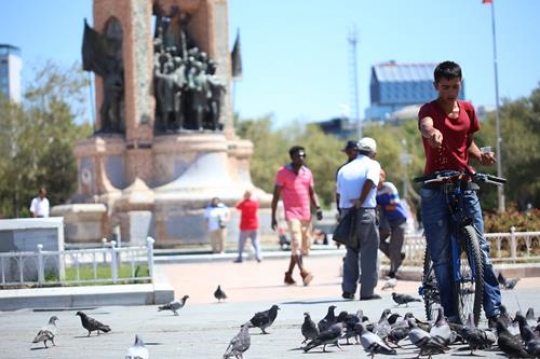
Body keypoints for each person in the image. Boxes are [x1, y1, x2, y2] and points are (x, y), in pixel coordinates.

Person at [417, 60, 500, 322]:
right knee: (442, 257)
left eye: (454, 86)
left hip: (464, 185)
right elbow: (426, 125)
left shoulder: (468, 110)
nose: (451, 92)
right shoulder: (428, 109)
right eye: (445, 87)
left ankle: (495, 311)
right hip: (435, 188)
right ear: (436, 86)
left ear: (460, 83)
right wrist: (432, 134)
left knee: (481, 250)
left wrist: (481, 155)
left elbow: (468, 144)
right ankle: (451, 316)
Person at [271, 145, 323, 286]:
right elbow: (276, 196)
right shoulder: (282, 173)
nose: (301, 158)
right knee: (296, 243)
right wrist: (273, 216)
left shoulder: (307, 173)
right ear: (292, 158)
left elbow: (312, 192)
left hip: (306, 214)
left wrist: (317, 207)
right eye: (298, 156)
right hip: (291, 213)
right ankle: (303, 273)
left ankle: (288, 275)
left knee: (303, 247)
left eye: (303, 155)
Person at [336, 137, 381, 300]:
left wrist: (341, 215)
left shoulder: (344, 169)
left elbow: (338, 193)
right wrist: (361, 199)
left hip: (346, 212)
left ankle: (348, 289)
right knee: (369, 252)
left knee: (351, 251)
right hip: (364, 211)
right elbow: (370, 181)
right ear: (373, 152)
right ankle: (367, 292)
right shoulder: (373, 165)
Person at [376, 168, 408, 279]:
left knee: (395, 246)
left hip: (399, 219)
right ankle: (398, 256)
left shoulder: (389, 187)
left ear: (382, 177)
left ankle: (393, 272)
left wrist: (381, 207)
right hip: (386, 222)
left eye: (378, 176)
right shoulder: (374, 191)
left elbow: (394, 204)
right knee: (377, 241)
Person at [233, 190, 262, 263]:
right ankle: (258, 256)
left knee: (241, 243)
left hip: (245, 226)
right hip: (254, 225)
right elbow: (258, 205)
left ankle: (240, 257)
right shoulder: (255, 203)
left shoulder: (244, 203)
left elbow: (236, 206)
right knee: (255, 242)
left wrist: (243, 199)